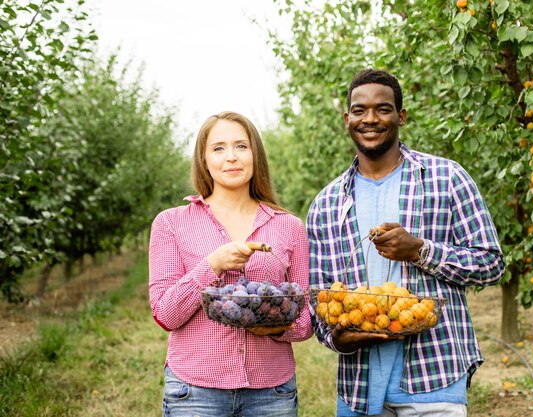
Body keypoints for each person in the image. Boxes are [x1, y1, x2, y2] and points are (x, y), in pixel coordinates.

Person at [306, 69, 505, 417]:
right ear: (347, 119)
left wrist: (420, 251)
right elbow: (320, 295)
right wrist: (335, 338)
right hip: (359, 387)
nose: (370, 119)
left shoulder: (447, 179)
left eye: (382, 109)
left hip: (435, 376)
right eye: (359, 110)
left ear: (401, 116)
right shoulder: (326, 203)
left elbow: (490, 265)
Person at [149, 111, 312, 417]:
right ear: (204, 159)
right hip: (195, 392)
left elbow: (304, 320)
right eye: (219, 148)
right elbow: (165, 314)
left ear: (255, 155)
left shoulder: (288, 226)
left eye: (241, 146)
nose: (231, 158)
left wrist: (272, 328)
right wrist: (212, 265)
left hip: (271, 391)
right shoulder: (171, 223)